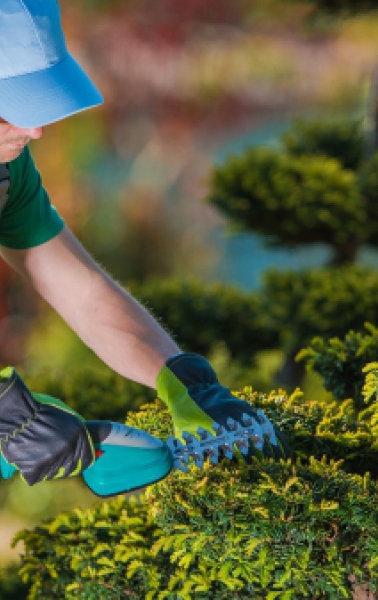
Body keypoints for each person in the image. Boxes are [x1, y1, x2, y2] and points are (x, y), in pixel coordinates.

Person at [0, 0, 286, 486]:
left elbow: (80, 290)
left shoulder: (6, 173)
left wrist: (178, 376)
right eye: (12, 108)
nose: (35, 130)